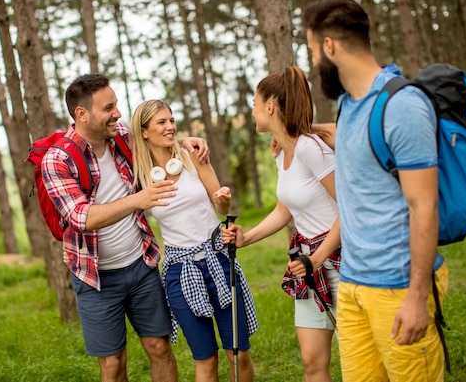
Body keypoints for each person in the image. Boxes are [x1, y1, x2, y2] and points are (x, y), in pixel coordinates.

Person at [302, 0, 449, 381]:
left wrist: (418, 297)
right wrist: (305, 131)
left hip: (398, 287)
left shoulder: (402, 105)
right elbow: (359, 148)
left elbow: (424, 207)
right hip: (352, 285)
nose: (314, 60)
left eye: (314, 50)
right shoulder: (349, 105)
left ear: (330, 46)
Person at [41, 74, 209, 382]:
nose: (117, 113)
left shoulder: (119, 135)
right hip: (95, 278)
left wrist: (187, 142)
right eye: (108, 107)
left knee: (159, 347)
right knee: (114, 364)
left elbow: (153, 135)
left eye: (116, 104)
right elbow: (81, 216)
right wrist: (138, 200)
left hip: (140, 265)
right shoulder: (57, 160)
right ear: (82, 114)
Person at [222, 65, 341, 382]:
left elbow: (350, 209)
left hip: (341, 261)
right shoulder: (282, 153)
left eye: (255, 103)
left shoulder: (310, 148)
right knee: (311, 361)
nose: (252, 110)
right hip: (307, 264)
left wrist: (317, 258)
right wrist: (246, 239)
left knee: (362, 359)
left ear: (270, 106)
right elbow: (283, 209)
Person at [129, 99, 258, 382]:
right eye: (161, 122)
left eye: (172, 120)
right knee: (205, 359)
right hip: (180, 272)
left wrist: (224, 201)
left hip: (219, 261)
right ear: (145, 131)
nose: (171, 126)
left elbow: (221, 206)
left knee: (238, 353)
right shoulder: (139, 174)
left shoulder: (191, 156)